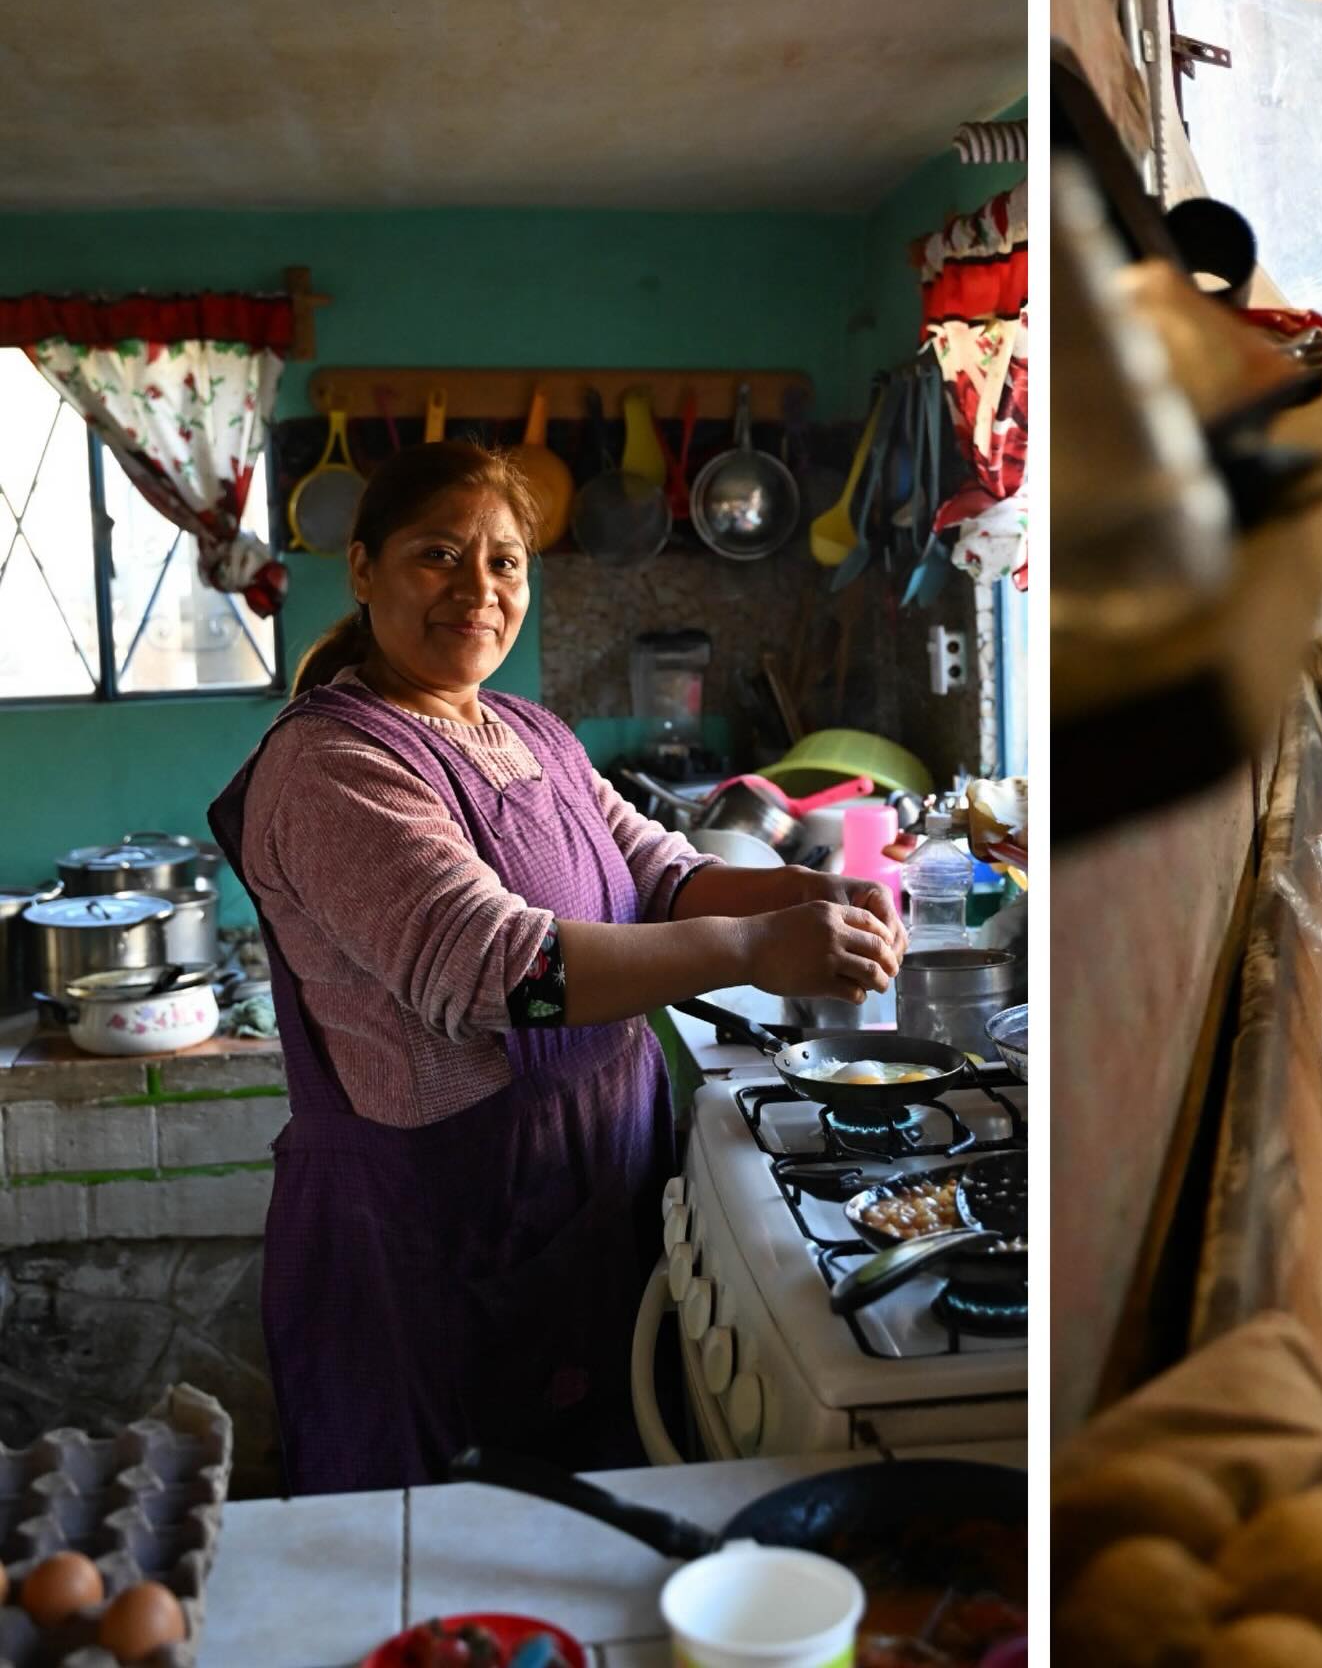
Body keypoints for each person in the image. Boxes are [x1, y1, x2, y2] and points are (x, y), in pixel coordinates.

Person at [209, 439, 905, 1496]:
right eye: (438, 556)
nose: (478, 591)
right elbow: (504, 974)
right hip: (433, 1235)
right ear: (362, 569)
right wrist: (758, 950)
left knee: (591, 1532)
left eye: (505, 563)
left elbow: (664, 876)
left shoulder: (530, 732)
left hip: (582, 1191)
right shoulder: (333, 763)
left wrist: (807, 897)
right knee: (449, 1552)